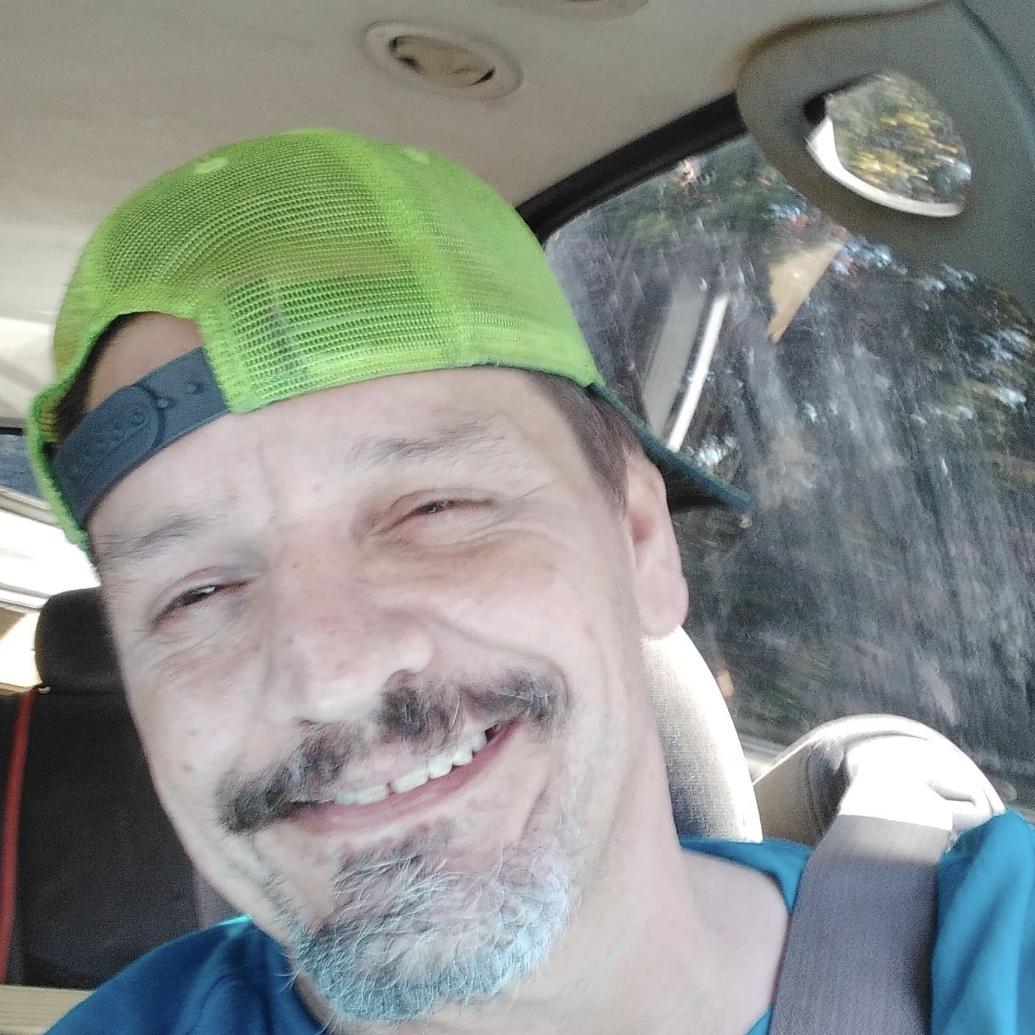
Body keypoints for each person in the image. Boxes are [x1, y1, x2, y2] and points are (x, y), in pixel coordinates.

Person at [29, 129, 1034, 1035]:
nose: (327, 675)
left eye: (434, 508)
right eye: (196, 593)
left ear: (640, 540)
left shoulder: (993, 959)